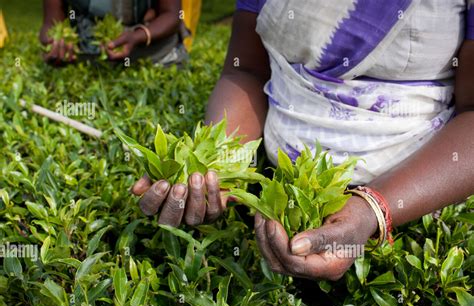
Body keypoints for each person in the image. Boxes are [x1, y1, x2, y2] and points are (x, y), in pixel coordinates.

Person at [132, 0, 474, 281]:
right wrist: (220, 168)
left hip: (420, 201)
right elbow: (245, 69)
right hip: (277, 182)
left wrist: (372, 210)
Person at [40, 0, 188, 66]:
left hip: (154, 57)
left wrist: (138, 36)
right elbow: (50, 22)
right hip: (89, 59)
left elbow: (172, 15)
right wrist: (54, 42)